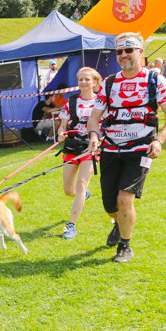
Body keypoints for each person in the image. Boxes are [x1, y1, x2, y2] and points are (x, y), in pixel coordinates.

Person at [86, 32, 166, 263]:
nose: (124, 55)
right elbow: (94, 117)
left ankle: (125, 246)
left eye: (129, 50)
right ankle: (118, 223)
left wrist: (159, 140)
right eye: (120, 51)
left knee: (125, 198)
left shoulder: (154, 80)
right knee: (110, 204)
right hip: (110, 149)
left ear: (140, 52)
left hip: (140, 149)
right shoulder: (109, 83)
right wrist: (94, 136)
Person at [57, 67, 101, 240]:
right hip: (72, 146)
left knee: (82, 183)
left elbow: (104, 125)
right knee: (69, 190)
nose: (83, 82)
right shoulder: (71, 102)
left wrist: (98, 139)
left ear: (95, 82)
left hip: (91, 148)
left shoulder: (100, 103)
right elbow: (63, 125)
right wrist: (61, 132)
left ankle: (71, 225)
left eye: (87, 79)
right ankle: (83, 196)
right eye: (80, 79)